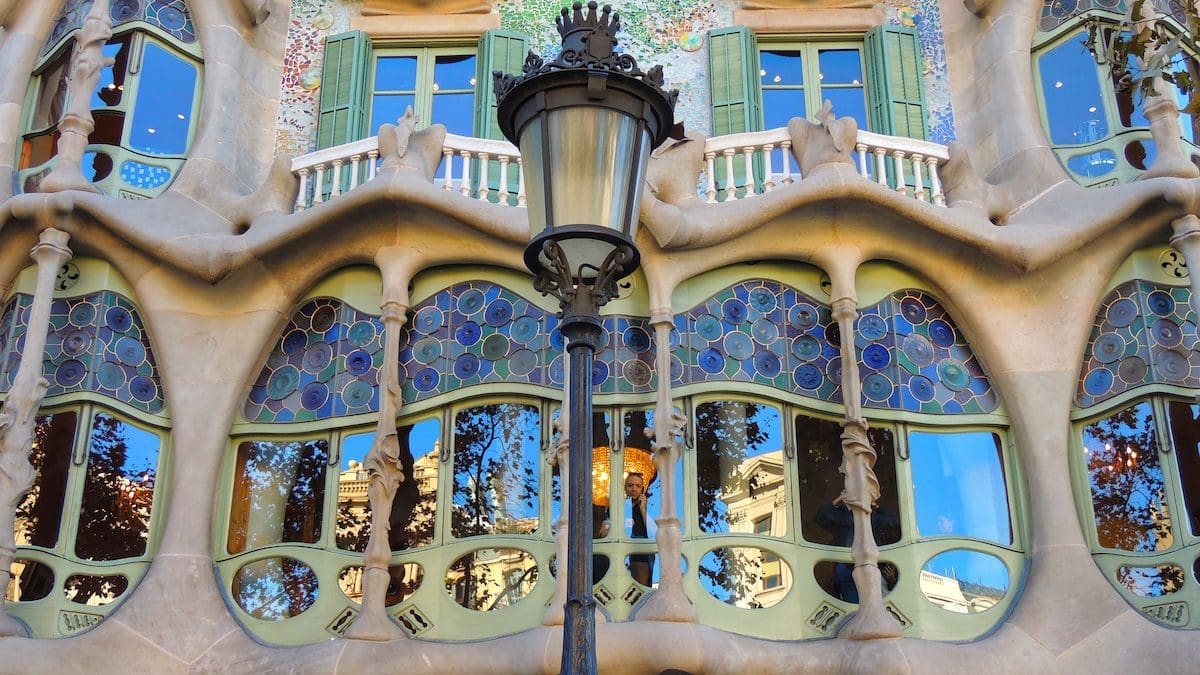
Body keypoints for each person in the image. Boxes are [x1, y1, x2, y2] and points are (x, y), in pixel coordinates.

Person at [625, 472, 655, 586]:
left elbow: (655, 534)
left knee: (641, 590)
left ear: (643, 488)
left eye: (638, 486)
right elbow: (604, 531)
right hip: (623, 554)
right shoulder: (620, 506)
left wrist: (643, 510)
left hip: (642, 555)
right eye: (630, 485)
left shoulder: (650, 506)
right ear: (625, 488)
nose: (634, 489)